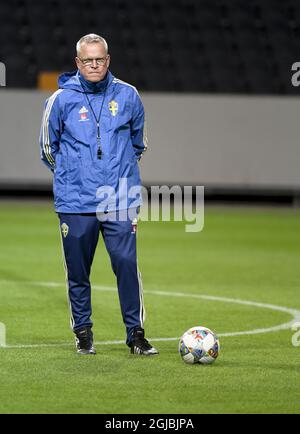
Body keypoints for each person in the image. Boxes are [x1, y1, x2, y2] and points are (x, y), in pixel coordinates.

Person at [39, 33, 158, 356]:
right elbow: (48, 149)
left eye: (100, 59)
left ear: (108, 60)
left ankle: (135, 334)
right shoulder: (60, 100)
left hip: (119, 199)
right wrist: (72, 175)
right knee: (78, 271)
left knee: (126, 264)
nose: (94, 65)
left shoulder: (128, 95)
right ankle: (83, 332)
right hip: (75, 201)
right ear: (78, 63)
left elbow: (139, 143)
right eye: (88, 60)